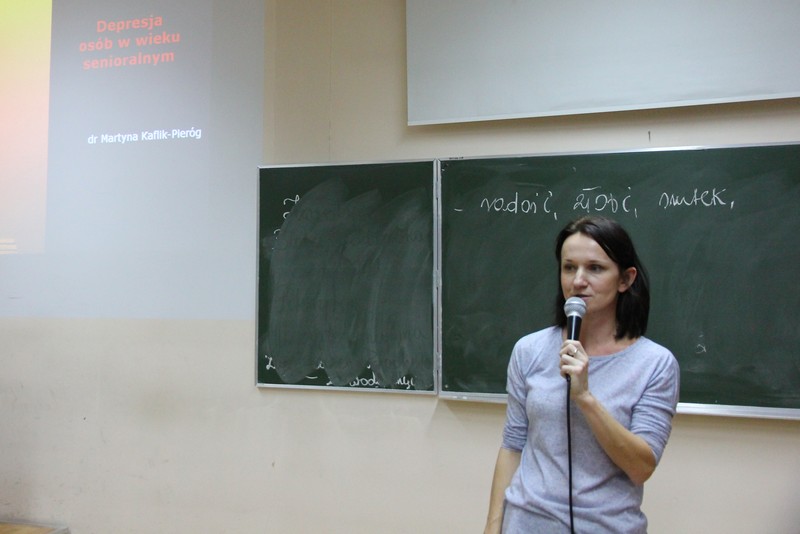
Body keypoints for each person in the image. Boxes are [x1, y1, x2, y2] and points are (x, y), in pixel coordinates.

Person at [484, 215, 680, 534]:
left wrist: (585, 398)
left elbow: (641, 467)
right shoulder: (529, 350)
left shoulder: (655, 364)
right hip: (525, 524)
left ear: (625, 279)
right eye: (569, 267)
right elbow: (512, 446)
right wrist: (493, 527)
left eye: (595, 268)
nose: (578, 281)